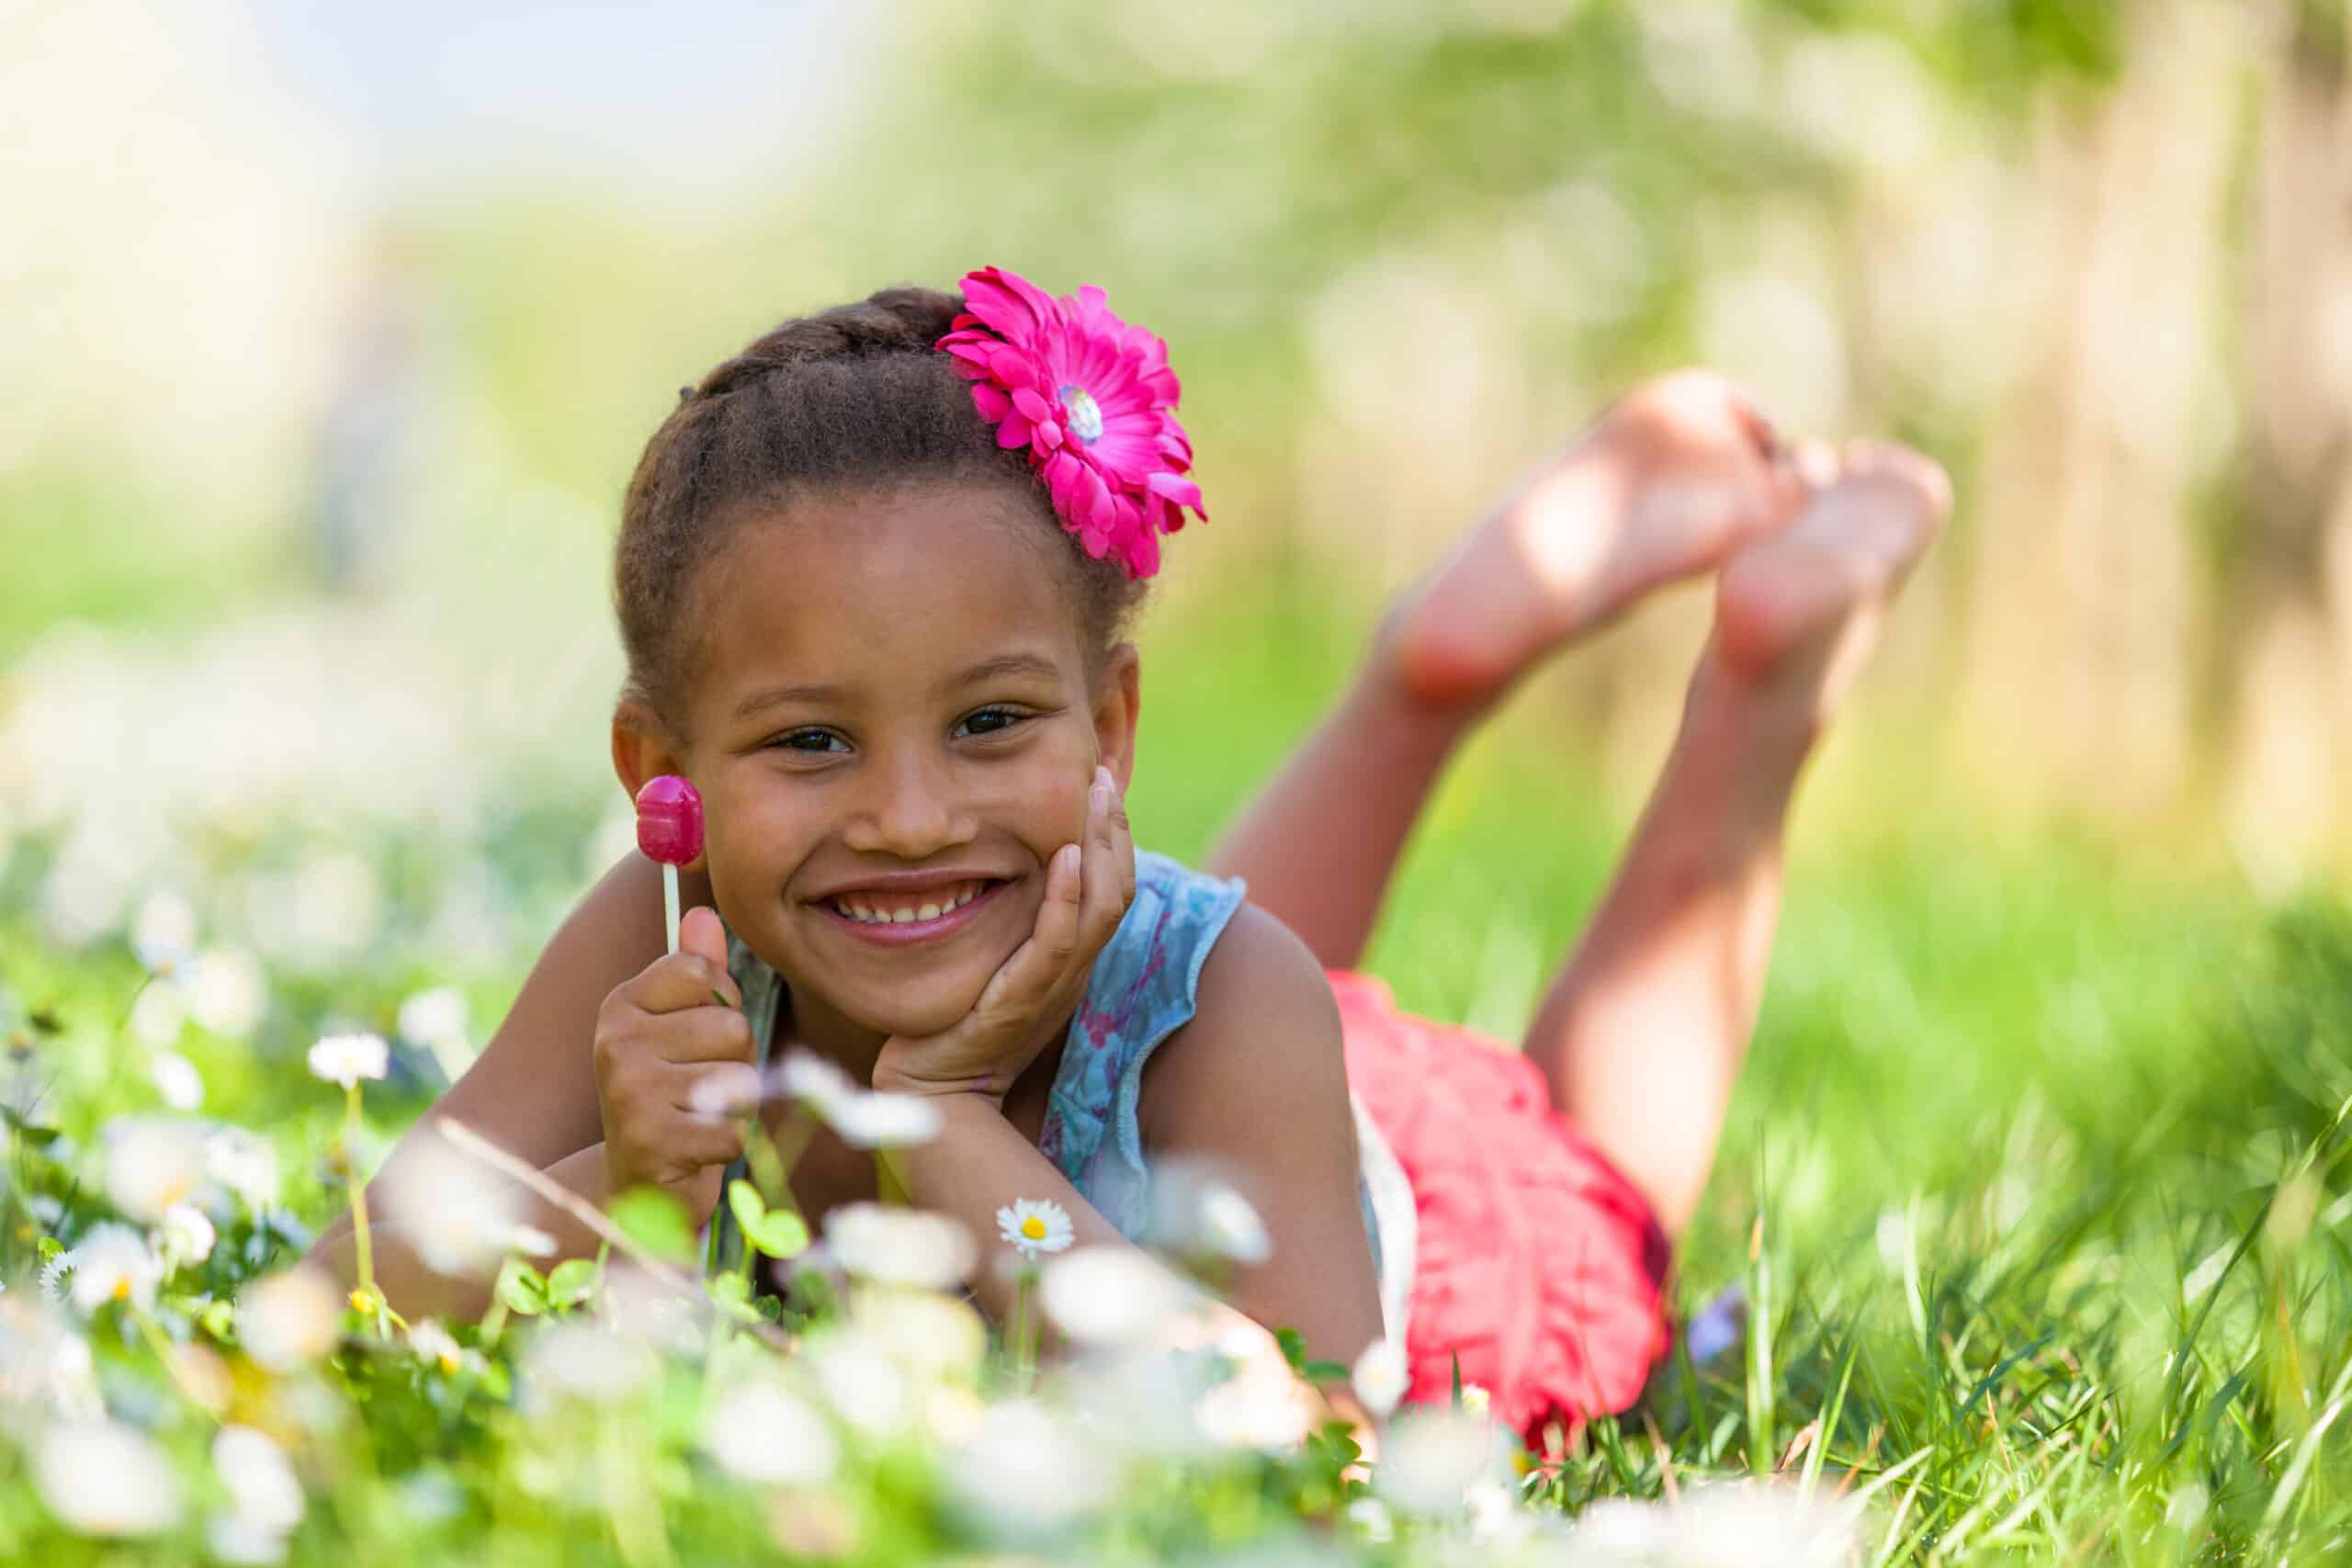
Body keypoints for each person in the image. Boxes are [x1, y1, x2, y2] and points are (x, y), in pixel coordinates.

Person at [308, 267, 1948, 1444]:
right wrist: (627, 1191)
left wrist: (945, 1136)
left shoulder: (1231, 995)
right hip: (1204, 1087)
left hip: (1381, 1212)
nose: (905, 813)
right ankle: (1426, 672)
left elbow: (1321, 1457)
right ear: (659, 775)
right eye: (811, 742)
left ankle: (1764, 685)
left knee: (1588, 1178)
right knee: (1081, 931)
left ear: (1114, 726)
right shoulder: (673, 942)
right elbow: (322, 1311)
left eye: (991, 724)